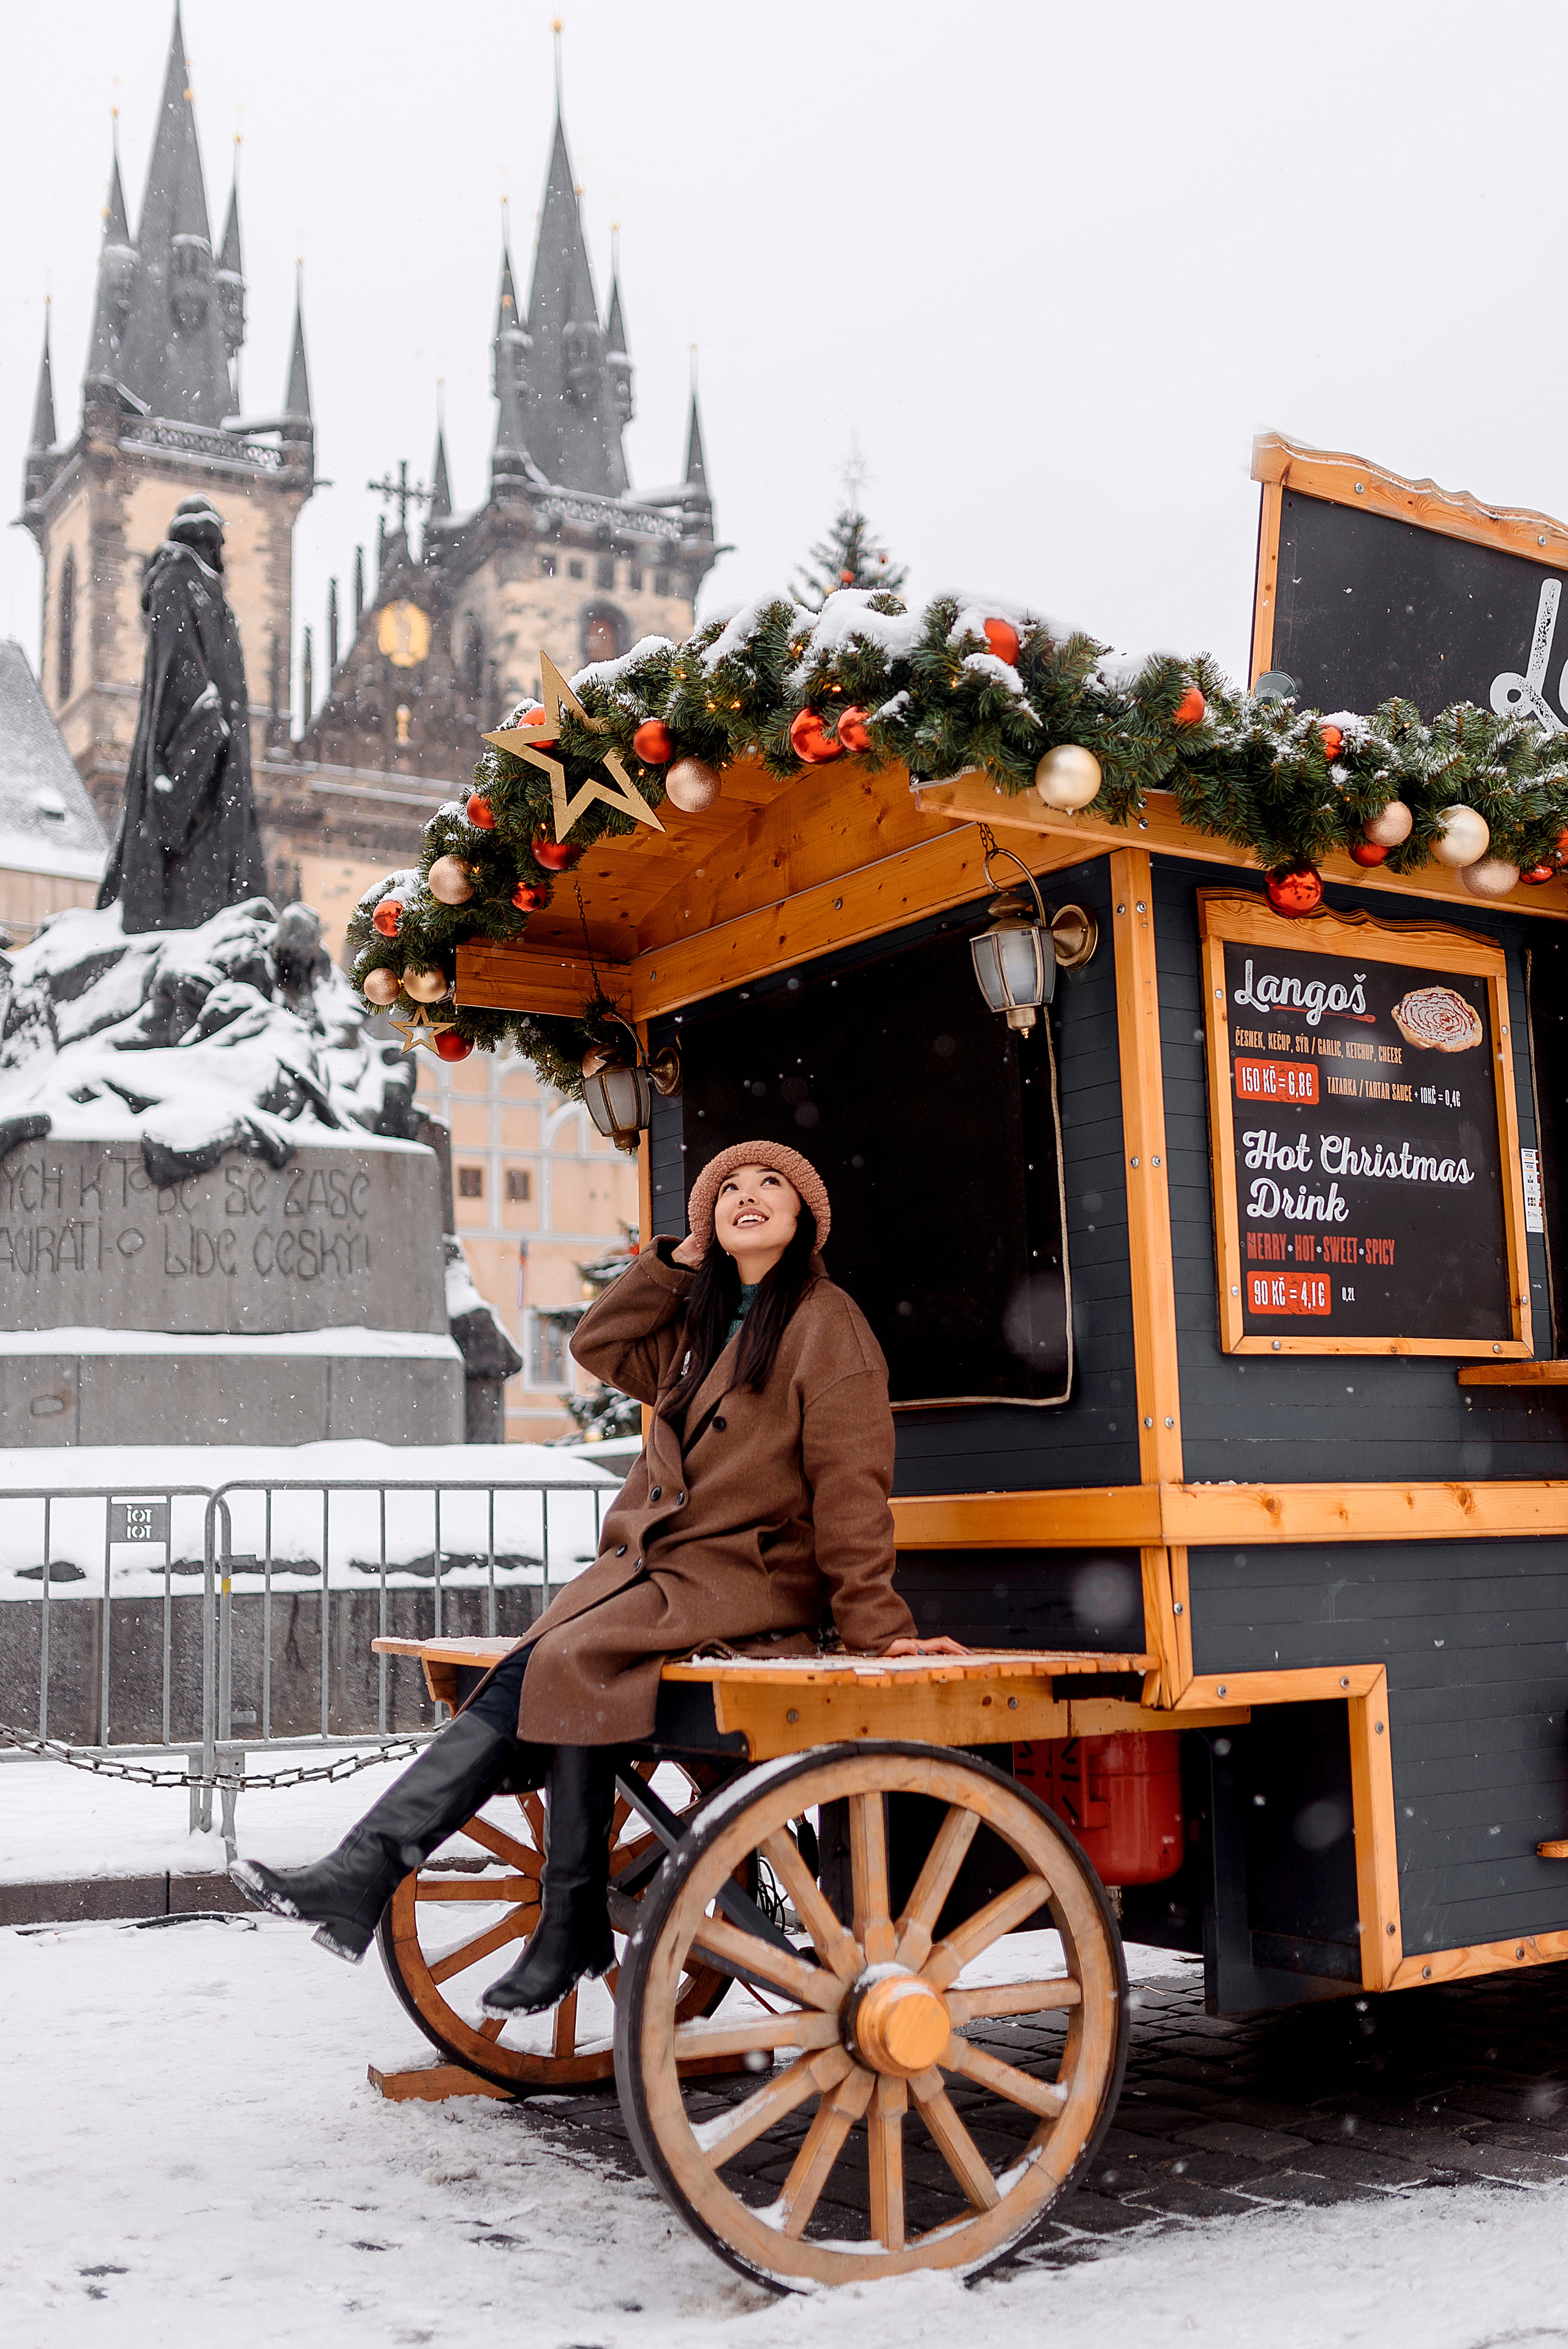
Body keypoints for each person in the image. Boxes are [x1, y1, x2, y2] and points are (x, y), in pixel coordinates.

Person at [232, 1141, 963, 2014]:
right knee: (536, 1666)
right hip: (657, 1573)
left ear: (805, 1216)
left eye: (773, 1185)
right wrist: (669, 1264)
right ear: (710, 1224)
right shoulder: (699, 1325)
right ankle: (420, 1886)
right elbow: (597, 1340)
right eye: (728, 1189)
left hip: (749, 1576)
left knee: (568, 1658)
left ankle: (515, 1904)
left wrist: (874, 1626)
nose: (749, 1196)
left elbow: (852, 1483)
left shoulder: (823, 1319)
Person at [99, 494, 270, 934]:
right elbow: (180, 670)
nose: (225, 559)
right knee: (195, 861)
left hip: (216, 746)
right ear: (205, 541)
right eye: (218, 545)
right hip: (200, 742)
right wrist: (206, 721)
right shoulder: (179, 581)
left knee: (222, 863)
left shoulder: (201, 588)